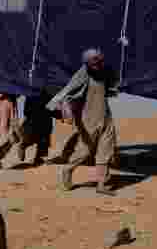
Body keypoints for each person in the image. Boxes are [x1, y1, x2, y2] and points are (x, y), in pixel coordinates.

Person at [47, 48, 120, 195]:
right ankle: (68, 170)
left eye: (98, 61)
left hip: (106, 117)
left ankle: (102, 184)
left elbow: (110, 87)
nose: (96, 64)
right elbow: (67, 92)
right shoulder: (83, 75)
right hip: (88, 120)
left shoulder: (103, 73)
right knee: (85, 151)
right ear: (86, 63)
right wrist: (65, 109)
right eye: (93, 62)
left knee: (106, 150)